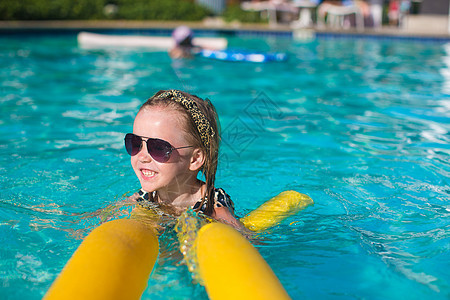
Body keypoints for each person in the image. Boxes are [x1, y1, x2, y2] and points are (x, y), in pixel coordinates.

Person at [124, 89, 245, 231]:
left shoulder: (214, 208)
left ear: (194, 159)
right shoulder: (144, 196)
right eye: (135, 143)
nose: (142, 157)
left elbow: (247, 241)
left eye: (158, 148)